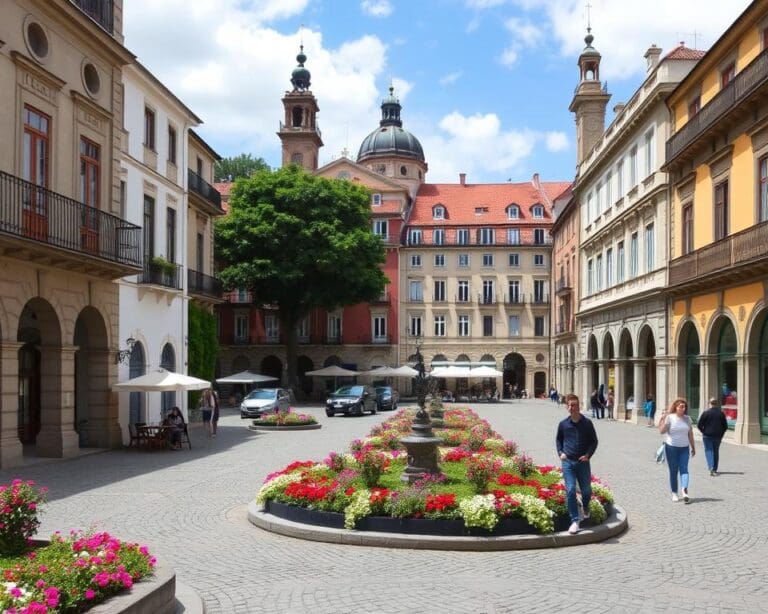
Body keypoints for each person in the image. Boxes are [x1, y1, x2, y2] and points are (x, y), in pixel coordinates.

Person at [556, 394, 599, 535]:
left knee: (586, 490)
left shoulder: (587, 423)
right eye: (568, 405)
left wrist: (588, 455)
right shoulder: (563, 424)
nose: (571, 408)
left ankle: (585, 505)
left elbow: (594, 441)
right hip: (568, 461)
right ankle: (575, 520)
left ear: (578, 406)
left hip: (582, 462)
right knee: (570, 490)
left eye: (573, 405)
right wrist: (560, 452)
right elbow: (559, 440)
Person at [659, 398, 696, 503]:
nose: (683, 409)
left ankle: (684, 490)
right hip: (671, 448)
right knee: (673, 471)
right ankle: (674, 493)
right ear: (676, 407)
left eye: (684, 407)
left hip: (684, 448)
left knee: (684, 469)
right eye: (681, 406)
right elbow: (662, 431)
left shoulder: (687, 419)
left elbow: (690, 434)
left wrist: (693, 447)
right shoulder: (670, 418)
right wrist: (662, 419)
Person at [697, 397, 728, 476]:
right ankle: (714, 468)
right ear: (717, 404)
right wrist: (721, 435)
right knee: (715, 451)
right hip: (718, 436)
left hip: (707, 435)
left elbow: (699, 425)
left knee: (708, 450)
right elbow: (725, 426)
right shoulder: (721, 413)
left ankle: (711, 466)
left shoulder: (706, 413)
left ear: (709, 403)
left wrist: (703, 431)